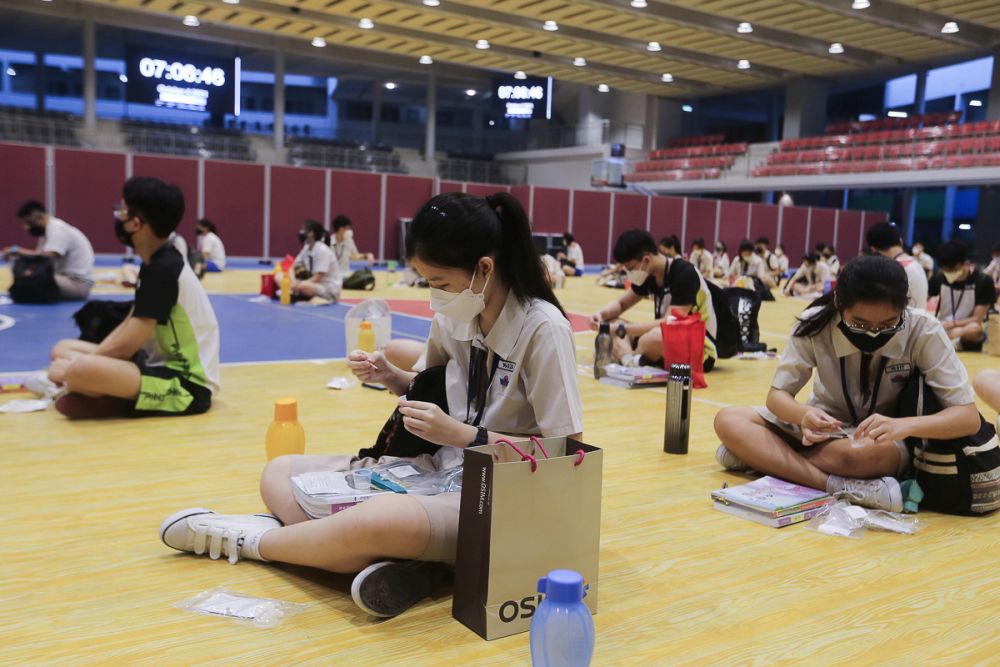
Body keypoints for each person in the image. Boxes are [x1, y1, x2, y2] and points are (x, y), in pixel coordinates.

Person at [158, 191, 583, 619]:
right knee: (280, 472)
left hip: (496, 498)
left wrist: (464, 436)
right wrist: (392, 378)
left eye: (439, 283)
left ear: (483, 270)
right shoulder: (454, 315)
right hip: (433, 473)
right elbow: (429, 387)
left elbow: (567, 453)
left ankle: (252, 542)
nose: (434, 296)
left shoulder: (543, 330)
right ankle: (414, 563)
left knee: (374, 522)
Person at [714, 255, 981, 512]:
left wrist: (903, 426)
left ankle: (760, 459)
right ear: (838, 301)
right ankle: (837, 486)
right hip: (819, 429)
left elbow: (968, 417)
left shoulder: (924, 330)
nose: (873, 333)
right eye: (859, 323)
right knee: (728, 419)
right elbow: (777, 396)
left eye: (888, 323)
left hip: (880, 439)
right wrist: (804, 415)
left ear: (904, 307)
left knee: (853, 456)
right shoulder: (814, 323)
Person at [46, 177, 220, 418]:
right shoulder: (153, 264)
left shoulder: (163, 270)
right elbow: (129, 323)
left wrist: (73, 370)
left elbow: (127, 345)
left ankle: (109, 396)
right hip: (153, 364)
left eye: (123, 211)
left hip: (186, 387)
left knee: (81, 369)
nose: (119, 215)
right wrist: (81, 363)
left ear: (136, 223)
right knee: (63, 349)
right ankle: (111, 396)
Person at [590, 229, 718, 370]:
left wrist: (621, 329)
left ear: (646, 260)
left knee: (652, 337)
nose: (629, 273)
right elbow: (621, 304)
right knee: (612, 322)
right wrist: (600, 315)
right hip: (665, 337)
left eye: (630, 268)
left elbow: (669, 323)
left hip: (699, 347)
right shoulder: (649, 275)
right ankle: (630, 360)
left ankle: (628, 356)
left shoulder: (684, 273)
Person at [2, 200, 94, 300]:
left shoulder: (58, 230)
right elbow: (39, 260)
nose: (26, 227)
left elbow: (48, 257)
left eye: (29, 223)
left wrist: (17, 251)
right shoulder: (46, 233)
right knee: (24, 276)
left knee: (31, 280)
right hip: (63, 279)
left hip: (77, 284)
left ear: (40, 218)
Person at [928, 241, 996, 351]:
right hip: (942, 326)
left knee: (975, 329)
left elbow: (977, 319)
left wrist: (953, 324)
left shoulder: (983, 281)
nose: (948, 273)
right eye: (945, 270)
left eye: (953, 270)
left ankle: (951, 342)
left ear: (965, 263)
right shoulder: (939, 277)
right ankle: (947, 341)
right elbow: (923, 300)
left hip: (965, 329)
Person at [866, 222, 927, 310]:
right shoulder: (916, 263)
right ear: (901, 241)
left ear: (873, 249)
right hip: (919, 321)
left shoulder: (892, 270)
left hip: (904, 322)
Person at [290, 219, 342, 303]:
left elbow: (317, 278)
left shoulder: (322, 250)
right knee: (280, 276)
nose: (301, 232)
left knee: (303, 286)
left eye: (305, 229)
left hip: (328, 288)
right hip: (313, 284)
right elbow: (292, 267)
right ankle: (300, 294)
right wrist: (292, 282)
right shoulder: (306, 248)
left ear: (312, 233)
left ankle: (319, 298)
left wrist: (298, 285)